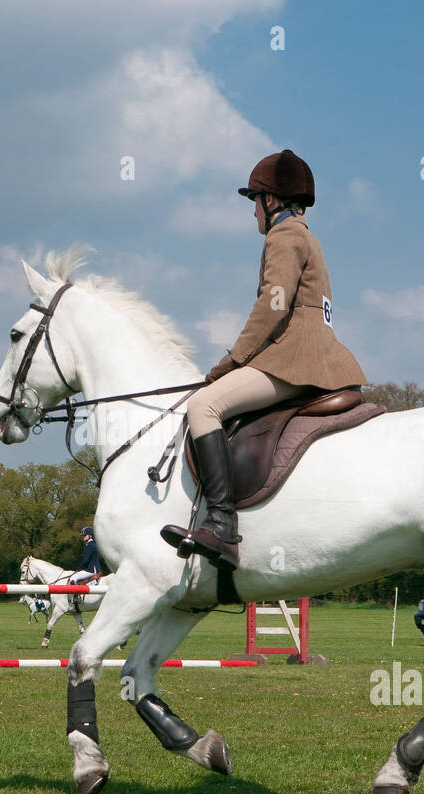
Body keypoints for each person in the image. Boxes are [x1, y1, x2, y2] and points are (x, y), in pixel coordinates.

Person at [161, 149, 368, 570]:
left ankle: (220, 524)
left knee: (204, 405)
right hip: (320, 357)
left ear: (270, 200)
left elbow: (272, 307)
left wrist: (231, 362)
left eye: (254, 200)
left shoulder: (285, 236)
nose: (252, 211)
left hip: (294, 361)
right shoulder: (308, 237)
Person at [69, 526, 103, 611]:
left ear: (90, 536)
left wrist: (78, 568)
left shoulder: (90, 545)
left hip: (91, 570)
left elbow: (86, 560)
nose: (83, 536)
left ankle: (76, 598)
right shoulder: (91, 545)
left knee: (73, 578)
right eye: (83, 535)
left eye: (85, 535)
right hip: (92, 568)